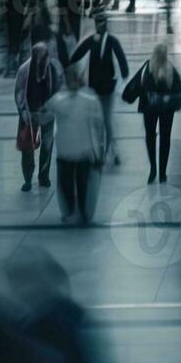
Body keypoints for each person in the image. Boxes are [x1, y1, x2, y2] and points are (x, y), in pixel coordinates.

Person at [48, 66, 107, 225]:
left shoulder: (61, 100)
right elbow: (100, 126)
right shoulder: (63, 100)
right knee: (77, 185)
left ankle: (75, 212)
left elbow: (99, 126)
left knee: (76, 185)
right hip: (75, 152)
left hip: (75, 152)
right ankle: (80, 212)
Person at [70, 12, 130, 166]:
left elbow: (75, 56)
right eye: (98, 22)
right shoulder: (102, 40)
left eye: (99, 23)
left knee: (103, 120)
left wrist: (124, 74)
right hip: (100, 88)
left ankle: (108, 151)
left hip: (101, 88)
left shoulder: (103, 40)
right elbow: (77, 55)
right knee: (102, 121)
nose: (98, 25)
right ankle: (106, 151)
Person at [129, 42, 181, 183]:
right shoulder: (170, 70)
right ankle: (162, 173)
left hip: (150, 109)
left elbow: (137, 85)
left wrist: (131, 95)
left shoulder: (147, 68)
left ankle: (153, 169)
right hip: (166, 110)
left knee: (150, 137)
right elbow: (179, 91)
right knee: (165, 139)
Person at [15, 41, 64, 191]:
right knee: (27, 149)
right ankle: (28, 179)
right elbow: (19, 92)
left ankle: (44, 176)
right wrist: (23, 111)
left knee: (47, 147)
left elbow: (58, 89)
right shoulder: (25, 70)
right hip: (29, 115)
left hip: (48, 114)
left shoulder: (52, 69)